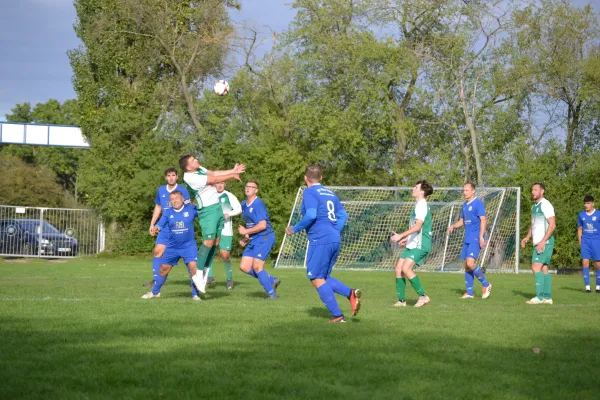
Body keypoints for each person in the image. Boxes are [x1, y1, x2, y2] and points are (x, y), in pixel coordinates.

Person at [285, 164, 360, 323]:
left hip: (320, 239)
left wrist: (295, 228)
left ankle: (337, 316)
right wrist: (334, 230)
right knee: (323, 277)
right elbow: (343, 216)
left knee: (316, 277)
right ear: (321, 177)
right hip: (334, 238)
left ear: (306, 178)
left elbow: (311, 215)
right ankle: (350, 293)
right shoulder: (330, 193)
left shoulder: (309, 192)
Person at [179, 155, 244, 293]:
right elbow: (214, 179)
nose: (196, 160)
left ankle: (205, 274)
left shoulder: (199, 170)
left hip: (216, 208)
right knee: (208, 242)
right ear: (188, 167)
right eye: (193, 160)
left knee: (215, 242)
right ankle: (197, 274)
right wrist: (232, 175)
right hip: (207, 211)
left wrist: (232, 170)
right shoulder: (189, 177)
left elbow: (214, 173)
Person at [142, 191, 203, 300]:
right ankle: (155, 292)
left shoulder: (191, 209)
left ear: (182, 198)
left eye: (177, 198)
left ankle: (195, 294)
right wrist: (156, 228)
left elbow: (205, 214)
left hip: (189, 246)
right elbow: (160, 223)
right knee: (163, 269)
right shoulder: (168, 212)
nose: (175, 201)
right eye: (172, 199)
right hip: (172, 247)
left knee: (193, 268)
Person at [390, 180, 433, 308]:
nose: (413, 189)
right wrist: (407, 238)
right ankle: (402, 301)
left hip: (421, 244)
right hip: (413, 243)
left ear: (421, 192)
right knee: (398, 269)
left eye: (416, 187)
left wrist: (400, 235)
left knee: (406, 268)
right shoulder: (418, 204)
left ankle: (423, 296)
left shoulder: (422, 205)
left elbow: (418, 226)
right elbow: (416, 228)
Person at [145, 168, 191, 287]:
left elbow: (188, 207)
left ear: (177, 177)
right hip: (165, 228)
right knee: (157, 252)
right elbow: (158, 207)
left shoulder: (182, 190)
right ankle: (156, 280)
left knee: (187, 257)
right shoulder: (161, 190)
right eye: (169, 175)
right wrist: (152, 224)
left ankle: (196, 279)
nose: (171, 177)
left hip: (178, 228)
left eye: (173, 175)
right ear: (166, 177)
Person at [447, 183, 492, 299]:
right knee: (467, 266)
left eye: (467, 190)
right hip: (467, 238)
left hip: (475, 238)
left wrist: (481, 236)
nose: (464, 192)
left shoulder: (478, 204)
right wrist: (453, 226)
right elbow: (462, 221)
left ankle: (486, 284)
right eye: (463, 190)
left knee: (470, 263)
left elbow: (483, 220)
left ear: (473, 191)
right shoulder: (465, 205)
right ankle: (470, 293)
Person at [238, 181, 280, 299]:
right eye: (247, 186)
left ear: (256, 190)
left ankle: (272, 294)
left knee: (257, 267)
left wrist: (246, 231)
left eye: (252, 187)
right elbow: (251, 225)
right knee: (244, 267)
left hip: (265, 237)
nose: (248, 188)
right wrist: (246, 238)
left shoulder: (258, 204)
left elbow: (262, 225)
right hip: (254, 238)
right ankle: (272, 280)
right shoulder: (244, 204)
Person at [521, 183, 556, 305]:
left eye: (535, 189)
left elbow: (552, 225)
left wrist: (543, 241)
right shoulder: (534, 206)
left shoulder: (545, 205)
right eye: (532, 190)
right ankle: (547, 297)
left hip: (544, 242)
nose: (533, 192)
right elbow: (533, 224)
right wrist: (527, 237)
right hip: (539, 242)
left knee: (535, 267)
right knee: (544, 269)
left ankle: (539, 297)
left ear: (542, 191)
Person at [205, 182, 242, 290]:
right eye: (217, 183)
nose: (219, 185)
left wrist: (228, 214)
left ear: (225, 184)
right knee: (210, 252)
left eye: (222, 183)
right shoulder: (210, 196)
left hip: (226, 230)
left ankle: (229, 278)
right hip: (212, 230)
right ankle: (209, 277)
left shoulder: (229, 195)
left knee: (225, 255)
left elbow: (239, 209)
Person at [577, 195, 600, 293]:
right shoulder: (581, 215)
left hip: (596, 241)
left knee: (597, 264)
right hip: (585, 241)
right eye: (585, 203)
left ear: (593, 204)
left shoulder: (598, 214)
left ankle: (598, 286)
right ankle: (587, 287)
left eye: (588, 203)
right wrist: (580, 242)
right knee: (585, 262)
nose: (586, 205)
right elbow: (579, 229)